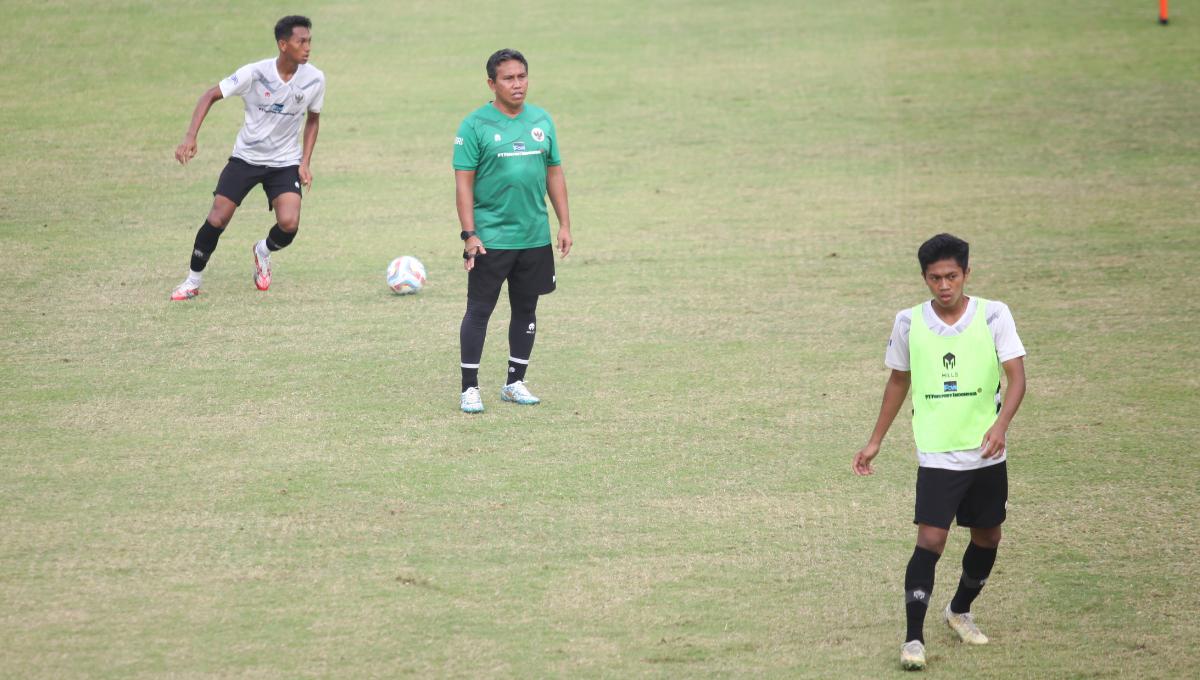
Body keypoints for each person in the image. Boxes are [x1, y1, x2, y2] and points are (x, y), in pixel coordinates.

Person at [852, 234, 1027, 671]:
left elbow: (1016, 378)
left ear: (966, 273)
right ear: (924, 279)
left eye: (951, 276)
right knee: (931, 539)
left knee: (988, 537)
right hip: (937, 454)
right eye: (935, 278)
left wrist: (1000, 427)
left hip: (986, 453)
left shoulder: (993, 315)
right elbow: (898, 381)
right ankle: (913, 639)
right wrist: (875, 440)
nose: (944, 285)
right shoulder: (909, 322)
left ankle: (959, 610)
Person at [170, 15, 324, 300]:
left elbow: (313, 120)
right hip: (246, 158)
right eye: (301, 41)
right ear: (283, 44)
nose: (307, 47)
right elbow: (210, 95)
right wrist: (191, 136)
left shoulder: (315, 78)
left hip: (284, 162)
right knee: (217, 218)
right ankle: (192, 280)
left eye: (309, 41)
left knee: (289, 225)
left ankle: (263, 251)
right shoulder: (255, 73)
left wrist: (305, 162)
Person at [452, 49, 572, 413]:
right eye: (508, 78)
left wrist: (564, 223)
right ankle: (469, 388)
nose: (517, 84)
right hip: (490, 239)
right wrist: (469, 234)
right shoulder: (474, 126)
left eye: (522, 76)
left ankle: (514, 382)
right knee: (479, 311)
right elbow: (463, 185)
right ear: (492, 83)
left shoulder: (542, 120)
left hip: (534, 236)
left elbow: (554, 172)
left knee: (526, 309)